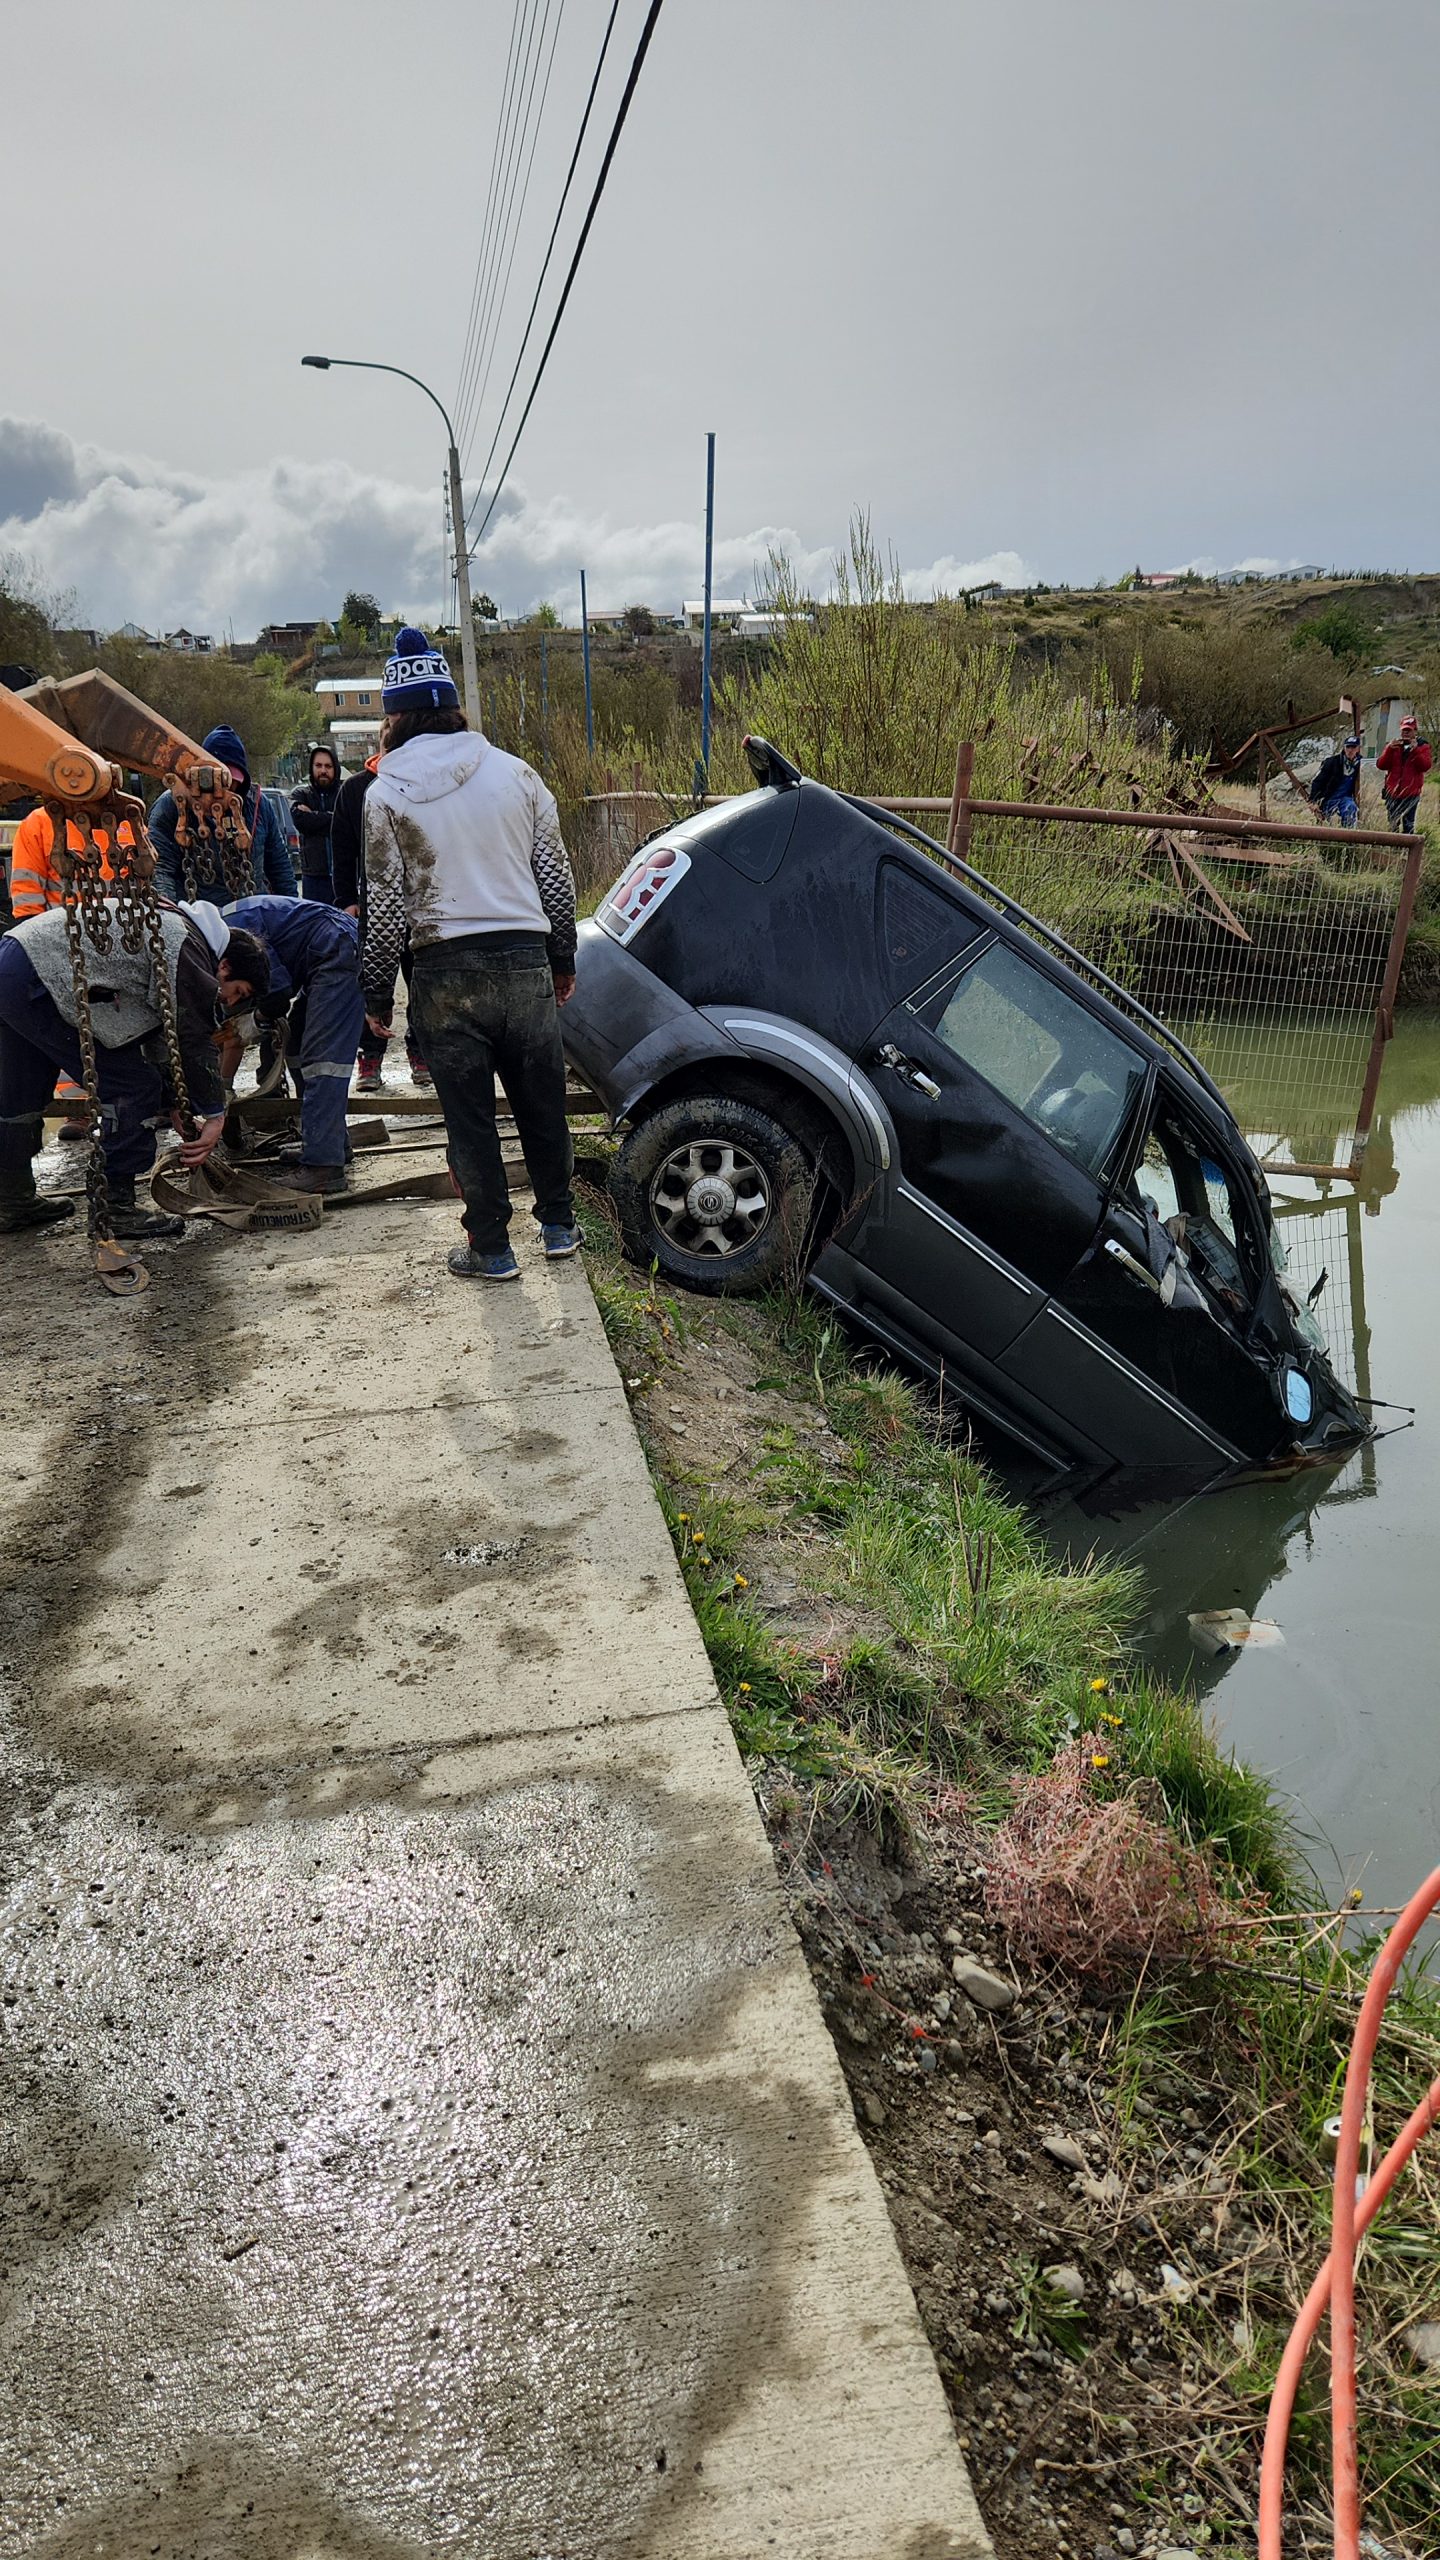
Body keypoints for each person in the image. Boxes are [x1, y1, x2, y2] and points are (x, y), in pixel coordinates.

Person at [361, 627, 579, 1281]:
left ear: (394, 717)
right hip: (523, 963)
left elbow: (387, 908)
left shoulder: (384, 793)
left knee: (471, 1120)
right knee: (542, 1105)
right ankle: (560, 1228)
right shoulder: (517, 774)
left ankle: (492, 1249)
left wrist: (376, 996)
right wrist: (562, 958)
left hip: (443, 974)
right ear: (454, 706)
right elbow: (556, 877)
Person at [0, 896, 269, 1238]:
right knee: (133, 1087)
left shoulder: (175, 928)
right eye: (237, 992)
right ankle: (116, 1209)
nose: (228, 1002)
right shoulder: (189, 948)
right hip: (41, 977)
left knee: (20, 1093)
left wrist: (174, 1102)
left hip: (15, 961)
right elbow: (192, 1038)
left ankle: (12, 1200)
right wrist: (216, 1115)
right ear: (226, 966)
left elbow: (160, 1035)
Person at [7, 802, 139, 1138]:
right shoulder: (38, 825)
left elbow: (138, 885)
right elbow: (27, 895)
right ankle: (78, 1105)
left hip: (111, 945)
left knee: (115, 1020)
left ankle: (118, 1104)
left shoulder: (123, 822)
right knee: (66, 1022)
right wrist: (39, 950)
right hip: (57, 944)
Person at [221, 893, 364, 1195]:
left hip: (336, 947)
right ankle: (328, 1144)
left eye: (235, 993)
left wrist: (257, 1019)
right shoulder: (225, 936)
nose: (232, 1000)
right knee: (298, 1047)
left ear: (224, 968)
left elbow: (276, 993)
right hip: (325, 949)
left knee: (322, 1062)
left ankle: (324, 1167)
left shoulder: (237, 937)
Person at [332, 752, 432, 1093]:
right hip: (375, 905)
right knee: (371, 982)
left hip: (421, 906)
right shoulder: (356, 789)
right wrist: (346, 900)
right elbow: (342, 849)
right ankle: (370, 1057)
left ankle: (420, 1053)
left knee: (420, 982)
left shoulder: (422, 785)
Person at [149, 726, 297, 903]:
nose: (226, 791)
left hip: (252, 916)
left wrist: (292, 913)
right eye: (220, 783)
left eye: (233, 783)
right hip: (200, 919)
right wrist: (173, 919)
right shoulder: (173, 805)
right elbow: (161, 868)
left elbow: (279, 868)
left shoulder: (259, 805)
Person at [289, 744, 344, 904]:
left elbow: (347, 824)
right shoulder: (301, 794)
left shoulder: (345, 793)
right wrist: (333, 818)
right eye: (318, 765)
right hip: (313, 879)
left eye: (328, 766)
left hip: (343, 878)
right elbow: (302, 821)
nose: (323, 771)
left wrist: (315, 816)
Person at [1377, 715, 1433, 834]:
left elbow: (1425, 766)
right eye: (1404, 730)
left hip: (1411, 793)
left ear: (1415, 731)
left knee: (1408, 825)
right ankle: (1394, 851)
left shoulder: (1423, 746)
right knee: (1393, 825)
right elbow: (1381, 765)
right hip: (1393, 792)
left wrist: (1415, 751)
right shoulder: (1394, 746)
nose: (1406, 733)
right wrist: (1388, 749)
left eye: (1409, 730)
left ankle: (1407, 852)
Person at [1308, 735, 1364, 829]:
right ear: (1344, 748)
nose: (1350, 750)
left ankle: (1348, 837)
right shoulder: (1332, 762)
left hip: (1345, 798)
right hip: (1329, 799)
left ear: (1358, 749)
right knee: (1328, 823)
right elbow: (1318, 781)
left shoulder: (1361, 764)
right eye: (1348, 747)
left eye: (1353, 747)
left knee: (1350, 808)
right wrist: (1313, 801)